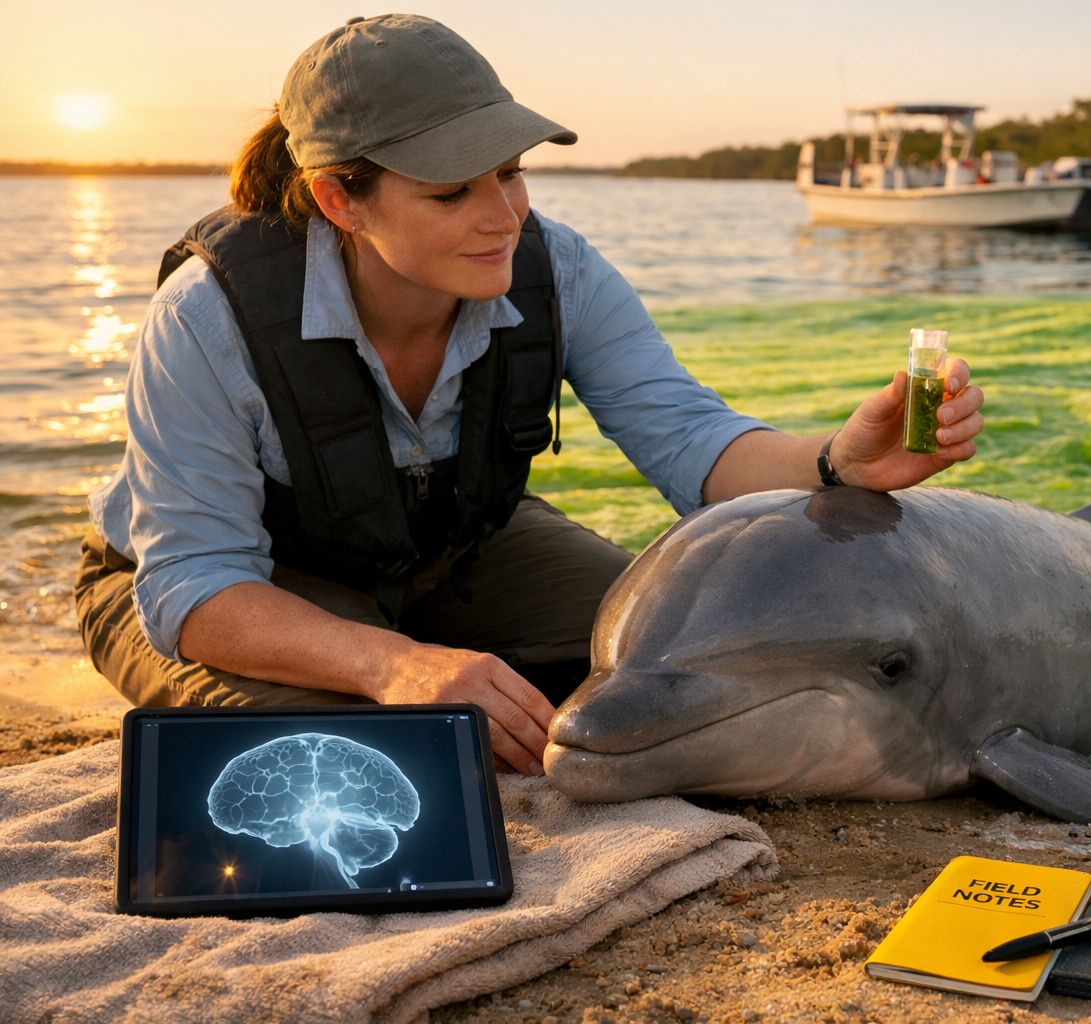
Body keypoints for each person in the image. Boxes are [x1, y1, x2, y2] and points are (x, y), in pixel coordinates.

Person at [73, 14, 985, 779]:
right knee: (376, 760)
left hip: (451, 552)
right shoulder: (207, 314)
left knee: (681, 662)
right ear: (341, 201)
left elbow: (689, 440)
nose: (504, 216)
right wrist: (396, 666)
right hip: (228, 588)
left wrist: (835, 459)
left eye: (511, 171)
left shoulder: (560, 268)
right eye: (452, 192)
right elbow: (195, 583)